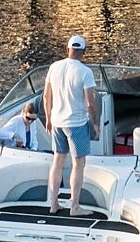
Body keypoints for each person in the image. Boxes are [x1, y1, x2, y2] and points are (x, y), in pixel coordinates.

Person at [43, 34, 101, 213]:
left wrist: (48, 118)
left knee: (58, 161)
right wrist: (96, 124)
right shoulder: (85, 72)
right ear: (83, 51)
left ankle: (54, 204)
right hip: (76, 123)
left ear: (68, 49)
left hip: (57, 122)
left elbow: (46, 96)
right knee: (78, 164)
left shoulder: (54, 67)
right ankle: (74, 206)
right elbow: (90, 103)